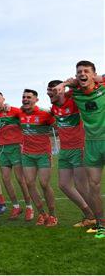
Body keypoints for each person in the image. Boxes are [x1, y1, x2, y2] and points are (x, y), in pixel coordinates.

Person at [53, 60, 104, 238]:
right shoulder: (75, 93)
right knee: (93, 186)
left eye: (86, 71)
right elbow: (58, 100)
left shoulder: (102, 87)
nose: (82, 74)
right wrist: (65, 84)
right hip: (91, 144)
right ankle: (101, 224)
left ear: (94, 74)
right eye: (79, 72)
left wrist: (98, 78)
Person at [47, 80, 95, 228]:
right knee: (64, 185)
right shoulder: (54, 107)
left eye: (52, 90)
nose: (49, 94)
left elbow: (82, 87)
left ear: (60, 90)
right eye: (48, 91)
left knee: (82, 186)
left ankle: (100, 219)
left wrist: (66, 85)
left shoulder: (73, 100)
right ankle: (89, 215)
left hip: (79, 147)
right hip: (64, 151)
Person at [0, 92, 33, 221]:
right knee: (6, 180)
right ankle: (16, 207)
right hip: (3, 149)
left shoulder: (14, 111)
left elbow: (25, 121)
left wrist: (24, 143)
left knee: (21, 180)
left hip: (16, 147)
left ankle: (30, 207)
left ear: (3, 99)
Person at [16, 89, 57, 226]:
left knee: (44, 184)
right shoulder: (19, 113)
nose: (25, 99)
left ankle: (52, 215)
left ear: (36, 100)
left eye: (29, 97)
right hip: (27, 154)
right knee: (29, 183)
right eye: (23, 97)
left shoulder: (45, 114)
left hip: (43, 154)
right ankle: (42, 214)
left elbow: (58, 124)